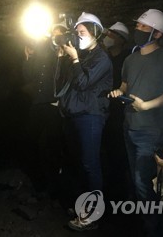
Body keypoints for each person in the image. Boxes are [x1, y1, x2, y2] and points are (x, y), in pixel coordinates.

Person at [109, 8, 163, 237]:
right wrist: (118, 92)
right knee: (137, 182)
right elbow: (125, 85)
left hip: (150, 131)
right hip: (129, 126)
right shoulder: (131, 59)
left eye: (143, 27)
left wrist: (147, 105)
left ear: (157, 33)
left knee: (145, 184)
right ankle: (146, 226)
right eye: (138, 26)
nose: (137, 30)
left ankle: (156, 230)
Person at [54, 12, 113, 232]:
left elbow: (82, 83)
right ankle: (82, 205)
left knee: (91, 165)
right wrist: (63, 57)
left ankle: (93, 214)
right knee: (79, 164)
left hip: (91, 116)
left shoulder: (101, 59)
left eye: (82, 33)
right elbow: (60, 83)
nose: (78, 37)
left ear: (95, 33)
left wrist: (75, 59)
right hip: (75, 115)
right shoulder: (81, 54)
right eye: (77, 33)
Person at [21, 23, 66, 196]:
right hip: (38, 104)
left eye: (59, 34)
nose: (55, 37)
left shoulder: (66, 55)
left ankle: (56, 186)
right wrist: (28, 59)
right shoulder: (43, 54)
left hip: (54, 106)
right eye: (53, 33)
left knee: (53, 146)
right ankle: (39, 183)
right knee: (31, 143)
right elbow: (30, 77)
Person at [101, 22, 131, 200]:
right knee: (106, 155)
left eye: (112, 34)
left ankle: (121, 197)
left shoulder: (127, 59)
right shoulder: (104, 58)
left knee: (120, 157)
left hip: (120, 115)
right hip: (104, 113)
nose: (108, 37)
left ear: (121, 39)